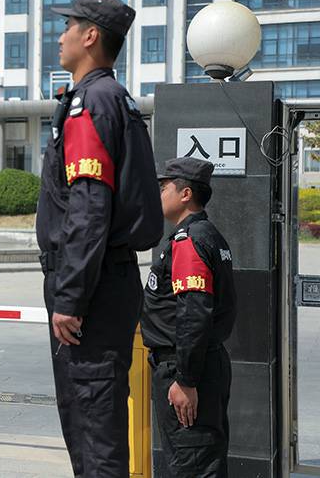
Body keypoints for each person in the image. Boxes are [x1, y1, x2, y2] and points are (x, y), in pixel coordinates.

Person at [36, 0, 162, 477]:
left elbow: (89, 207)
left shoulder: (90, 102)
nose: (60, 36)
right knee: (96, 418)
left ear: (90, 36)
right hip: (106, 278)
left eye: (67, 26)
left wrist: (71, 296)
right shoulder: (114, 98)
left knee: (92, 425)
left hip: (91, 285)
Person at [141, 157, 237, 477]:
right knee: (201, 460)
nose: (159, 194)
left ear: (185, 194)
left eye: (164, 188)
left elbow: (194, 313)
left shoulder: (189, 241)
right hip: (200, 364)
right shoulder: (207, 235)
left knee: (192, 463)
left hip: (185, 369)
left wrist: (185, 380)